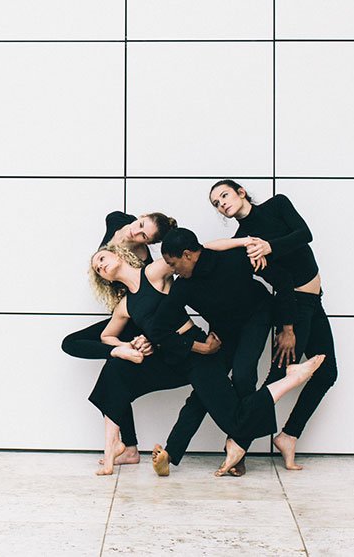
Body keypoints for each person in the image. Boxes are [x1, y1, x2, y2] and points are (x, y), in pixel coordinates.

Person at [87, 244, 324, 476]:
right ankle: (115, 451)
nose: (101, 265)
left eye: (102, 258)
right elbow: (106, 336)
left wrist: (243, 242)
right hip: (169, 358)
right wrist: (125, 346)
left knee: (234, 420)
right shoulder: (125, 306)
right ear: (104, 279)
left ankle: (290, 380)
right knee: (115, 370)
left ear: (118, 254)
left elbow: (201, 247)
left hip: (198, 353)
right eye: (98, 268)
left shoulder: (153, 272)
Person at [210, 180, 337, 470]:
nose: (222, 204)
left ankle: (288, 435)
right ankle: (237, 442)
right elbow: (281, 283)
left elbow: (304, 235)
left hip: (314, 303)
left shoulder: (278, 205)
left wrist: (270, 246)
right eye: (216, 203)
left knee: (326, 372)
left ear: (241, 192)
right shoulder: (245, 243)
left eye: (225, 195)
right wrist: (287, 327)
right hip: (296, 307)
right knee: (278, 378)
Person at [149, 227, 273, 477]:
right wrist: (199, 347)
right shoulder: (184, 287)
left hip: (255, 318)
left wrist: (289, 326)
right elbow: (158, 329)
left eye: (173, 264)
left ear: (188, 255)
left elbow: (281, 279)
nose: (172, 271)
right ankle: (171, 453)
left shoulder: (234, 260)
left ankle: (239, 450)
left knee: (243, 375)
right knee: (205, 387)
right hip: (222, 334)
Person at [60, 211, 176, 466]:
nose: (138, 234)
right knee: (71, 343)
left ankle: (129, 448)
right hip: (120, 317)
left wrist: (149, 338)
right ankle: (117, 350)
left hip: (136, 319)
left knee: (115, 374)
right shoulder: (117, 223)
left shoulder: (145, 261)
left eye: (145, 236)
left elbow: (154, 302)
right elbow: (118, 219)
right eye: (140, 226)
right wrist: (119, 345)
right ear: (141, 216)